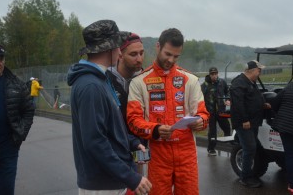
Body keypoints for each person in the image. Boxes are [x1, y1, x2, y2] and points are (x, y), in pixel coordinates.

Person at [67, 20, 151, 195]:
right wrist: (132, 178)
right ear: (109, 48)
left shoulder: (100, 80)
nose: (120, 51)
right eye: (118, 46)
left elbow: (110, 127)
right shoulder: (91, 86)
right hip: (101, 184)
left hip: (109, 179)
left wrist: (132, 142)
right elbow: (95, 142)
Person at [126, 28, 210, 195]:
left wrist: (200, 121)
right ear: (158, 46)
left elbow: (204, 114)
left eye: (176, 56)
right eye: (168, 54)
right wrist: (155, 130)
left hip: (186, 153)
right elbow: (133, 121)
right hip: (157, 154)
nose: (171, 60)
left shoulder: (190, 80)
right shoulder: (139, 82)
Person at [107, 31, 146, 195]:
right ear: (120, 54)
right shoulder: (106, 78)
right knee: (118, 187)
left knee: (139, 185)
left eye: (142, 53)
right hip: (116, 147)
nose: (139, 59)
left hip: (140, 146)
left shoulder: (145, 79)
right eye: (133, 54)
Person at [0, 44, 35, 195]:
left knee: (6, 189)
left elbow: (28, 110)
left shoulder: (16, 84)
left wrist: (20, 134)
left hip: (8, 147)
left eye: (1, 59)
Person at [230, 60, 270, 188]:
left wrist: (263, 104)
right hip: (244, 123)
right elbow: (238, 104)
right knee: (250, 148)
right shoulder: (238, 83)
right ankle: (245, 178)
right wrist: (244, 120)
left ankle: (252, 172)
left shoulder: (251, 82)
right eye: (259, 70)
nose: (260, 72)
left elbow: (254, 97)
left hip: (254, 122)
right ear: (251, 70)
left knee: (254, 147)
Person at [201, 66, 231, 156]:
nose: (214, 76)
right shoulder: (205, 85)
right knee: (213, 131)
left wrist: (228, 99)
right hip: (210, 112)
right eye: (212, 74)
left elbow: (228, 91)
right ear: (209, 75)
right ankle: (211, 149)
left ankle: (228, 144)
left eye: (215, 74)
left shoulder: (222, 82)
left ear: (218, 74)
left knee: (226, 127)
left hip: (221, 110)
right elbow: (199, 98)